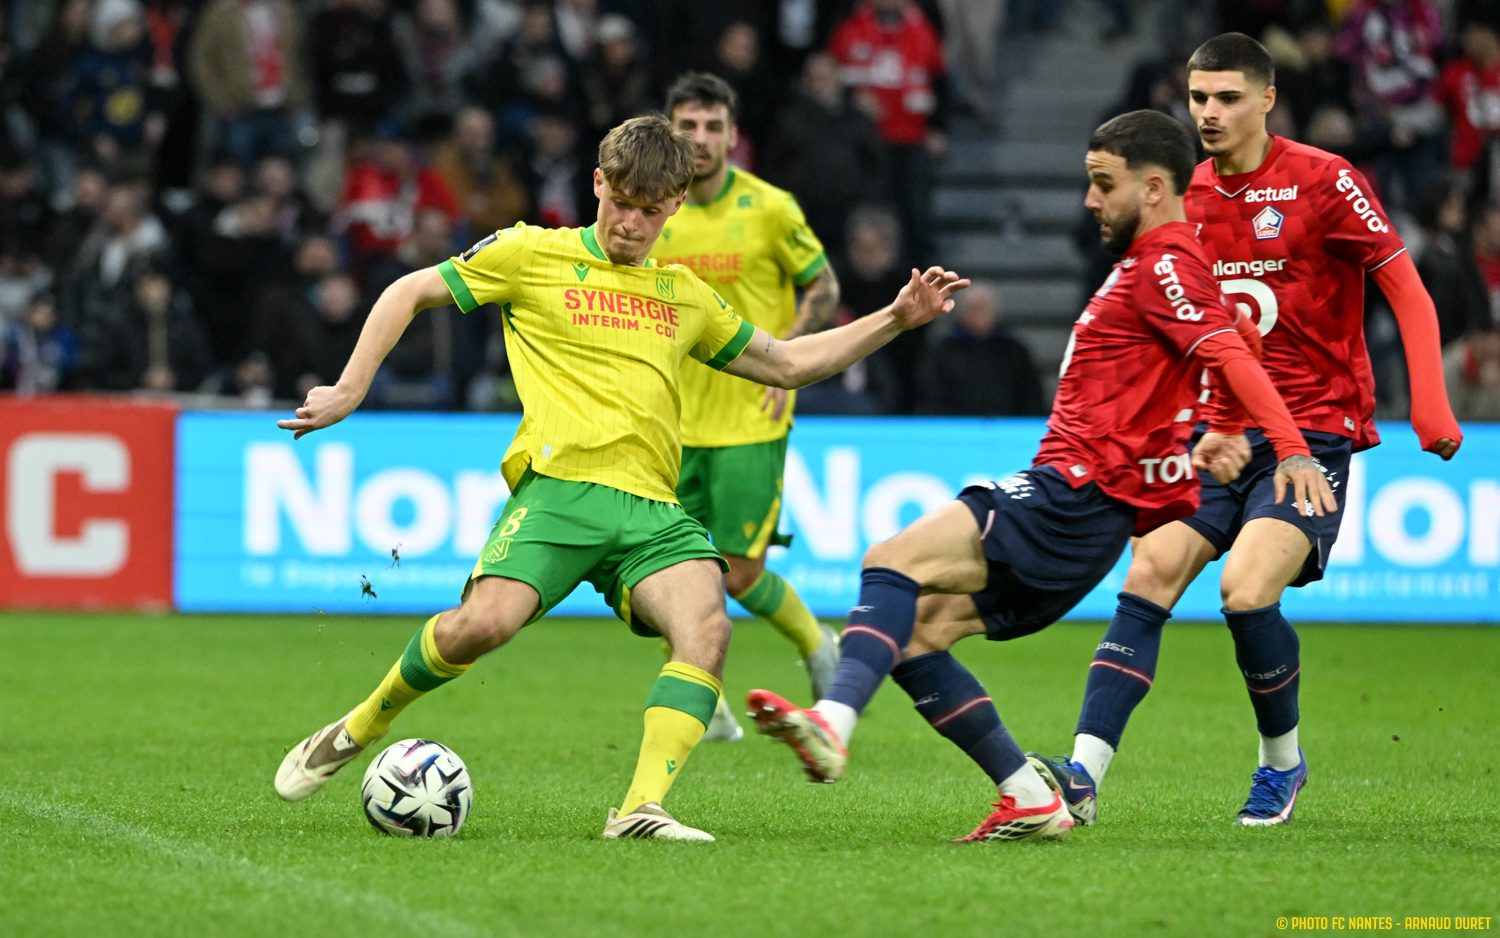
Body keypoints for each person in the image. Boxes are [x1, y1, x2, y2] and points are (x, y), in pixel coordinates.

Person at [272, 114, 968, 842]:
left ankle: (639, 808)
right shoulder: (528, 253)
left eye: (650, 210)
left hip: (652, 513)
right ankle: (359, 726)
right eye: (622, 203)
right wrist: (349, 389)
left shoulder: (684, 295)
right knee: (480, 626)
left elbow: (788, 363)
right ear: (598, 184)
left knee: (706, 626)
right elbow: (409, 291)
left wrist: (894, 318)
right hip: (559, 492)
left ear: (675, 206)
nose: (631, 224)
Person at [746, 108, 1328, 843]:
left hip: (1074, 495)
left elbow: (1231, 350)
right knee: (917, 634)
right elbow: (1237, 337)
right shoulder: (1167, 265)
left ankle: (832, 722)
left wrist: (1288, 446)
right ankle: (1028, 795)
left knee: (890, 561)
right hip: (1088, 516)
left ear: (1153, 188)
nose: (1089, 199)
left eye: (1103, 183)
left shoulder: (1165, 263)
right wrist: (1224, 427)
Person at [1022, 33, 1464, 830]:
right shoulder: (1181, 194)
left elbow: (1405, 285)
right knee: (1150, 572)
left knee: (1246, 592)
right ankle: (1082, 777)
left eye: (1227, 98)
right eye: (1199, 98)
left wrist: (1428, 401)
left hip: (1313, 431)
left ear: (1267, 99)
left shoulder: (1325, 180)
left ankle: (1281, 764)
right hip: (1216, 433)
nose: (1210, 113)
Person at [648, 73, 844, 740]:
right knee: (659, 570)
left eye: (713, 127)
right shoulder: (651, 210)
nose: (701, 139)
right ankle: (709, 705)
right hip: (666, 420)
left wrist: (786, 357)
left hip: (747, 418)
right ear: (670, 132)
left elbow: (823, 285)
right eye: (688, 126)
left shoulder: (770, 208)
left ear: (734, 136)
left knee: (737, 573)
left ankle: (817, 643)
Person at [915, 283, 1044, 416]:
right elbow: (932, 397)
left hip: (1007, 425)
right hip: (955, 425)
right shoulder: (942, 352)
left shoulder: (1014, 351)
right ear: (961, 312)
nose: (979, 315)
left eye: (984, 308)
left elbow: (1031, 397)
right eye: (973, 309)